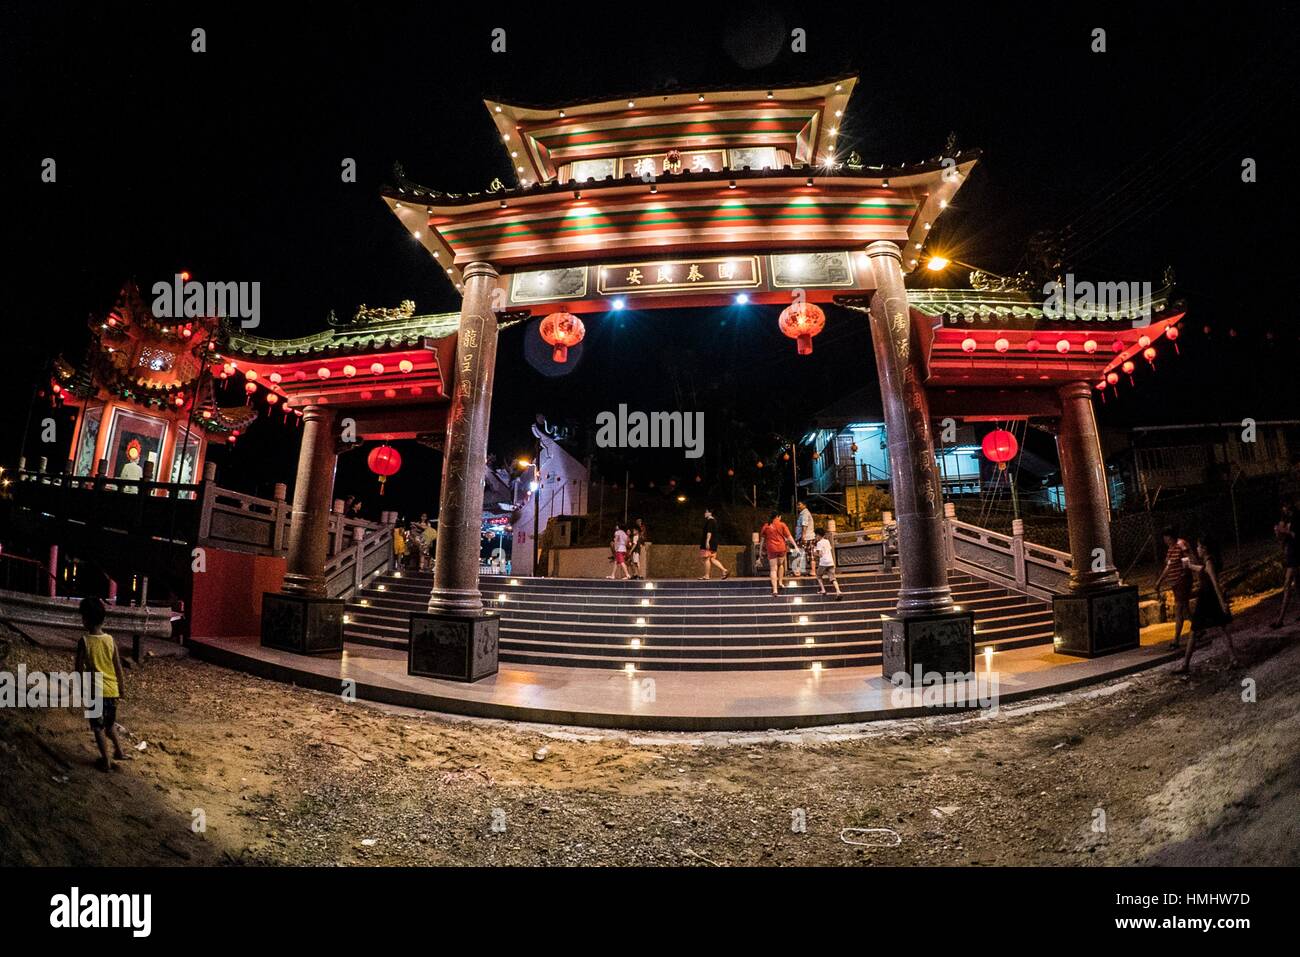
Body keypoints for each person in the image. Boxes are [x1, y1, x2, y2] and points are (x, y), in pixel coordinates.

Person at [73, 597, 127, 772]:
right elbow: (118, 667)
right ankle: (120, 752)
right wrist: (122, 688)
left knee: (98, 727)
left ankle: (106, 761)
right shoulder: (110, 640)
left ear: (85, 619)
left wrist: (80, 689)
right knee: (110, 725)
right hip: (111, 690)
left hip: (94, 691)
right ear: (103, 619)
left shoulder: (84, 641)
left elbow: (78, 669)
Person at [1173, 535, 1239, 674]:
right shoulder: (1209, 561)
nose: (1197, 549)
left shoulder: (1209, 562)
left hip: (1207, 599)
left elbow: (1215, 584)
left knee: (1194, 631)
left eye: (1198, 546)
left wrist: (1222, 603)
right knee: (1223, 629)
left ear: (1204, 548)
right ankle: (1234, 658)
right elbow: (1202, 569)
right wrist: (1190, 565)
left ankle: (1185, 664)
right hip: (1210, 598)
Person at [1153, 527, 1193, 649]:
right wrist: (1159, 581)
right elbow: (1168, 567)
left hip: (1181, 582)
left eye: (1166, 538)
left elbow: (1187, 560)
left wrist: (1184, 576)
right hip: (1176, 583)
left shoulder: (1180, 545)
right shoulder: (1171, 549)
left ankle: (1176, 640)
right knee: (1185, 609)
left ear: (1171, 537)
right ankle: (1199, 628)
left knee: (1179, 611)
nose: (1165, 541)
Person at [1271, 505, 1298, 629]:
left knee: (1287, 585)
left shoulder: (1297, 518)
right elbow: (1282, 539)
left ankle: (1280, 619)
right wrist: (1278, 532)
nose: (1284, 510)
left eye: (1286, 508)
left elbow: (1295, 535)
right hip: (1290, 554)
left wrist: (1285, 531)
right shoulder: (1285, 519)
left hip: (1296, 554)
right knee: (1297, 584)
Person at [760, 510, 796, 597]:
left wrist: (761, 550)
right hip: (781, 548)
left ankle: (775, 590)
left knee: (773, 569)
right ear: (778, 516)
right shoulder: (782, 524)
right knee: (780, 565)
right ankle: (780, 582)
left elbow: (762, 539)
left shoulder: (766, 526)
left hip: (771, 549)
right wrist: (796, 546)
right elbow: (789, 536)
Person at [813, 527, 842, 598]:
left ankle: (823, 590)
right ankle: (838, 591)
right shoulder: (827, 541)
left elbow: (820, 555)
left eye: (816, 535)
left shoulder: (819, 543)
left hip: (823, 562)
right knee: (832, 578)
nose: (815, 537)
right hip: (831, 562)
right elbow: (829, 550)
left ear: (819, 535)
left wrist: (814, 552)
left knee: (818, 575)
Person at [699, 509, 728, 580]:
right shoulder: (714, 521)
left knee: (706, 559)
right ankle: (724, 570)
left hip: (709, 543)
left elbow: (709, 532)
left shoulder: (710, 521)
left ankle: (707, 575)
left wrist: (707, 541)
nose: (704, 513)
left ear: (710, 513)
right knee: (712, 559)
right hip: (714, 543)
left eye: (706, 512)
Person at [794, 500, 816, 578]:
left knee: (801, 554)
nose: (798, 506)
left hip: (805, 537)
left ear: (804, 505)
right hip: (809, 537)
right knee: (810, 554)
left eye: (799, 504)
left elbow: (804, 525)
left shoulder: (805, 513)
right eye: (797, 505)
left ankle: (798, 571)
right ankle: (812, 571)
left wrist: (803, 536)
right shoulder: (803, 513)